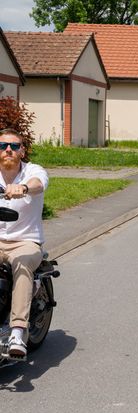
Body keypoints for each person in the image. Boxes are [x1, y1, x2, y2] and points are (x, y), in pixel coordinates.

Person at [0, 129, 48, 357]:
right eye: (3, 146)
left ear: (22, 150)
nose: (8, 150)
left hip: (26, 242)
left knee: (21, 263)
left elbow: (39, 183)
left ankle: (17, 332)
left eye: (14, 146)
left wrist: (25, 188)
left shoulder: (32, 171)